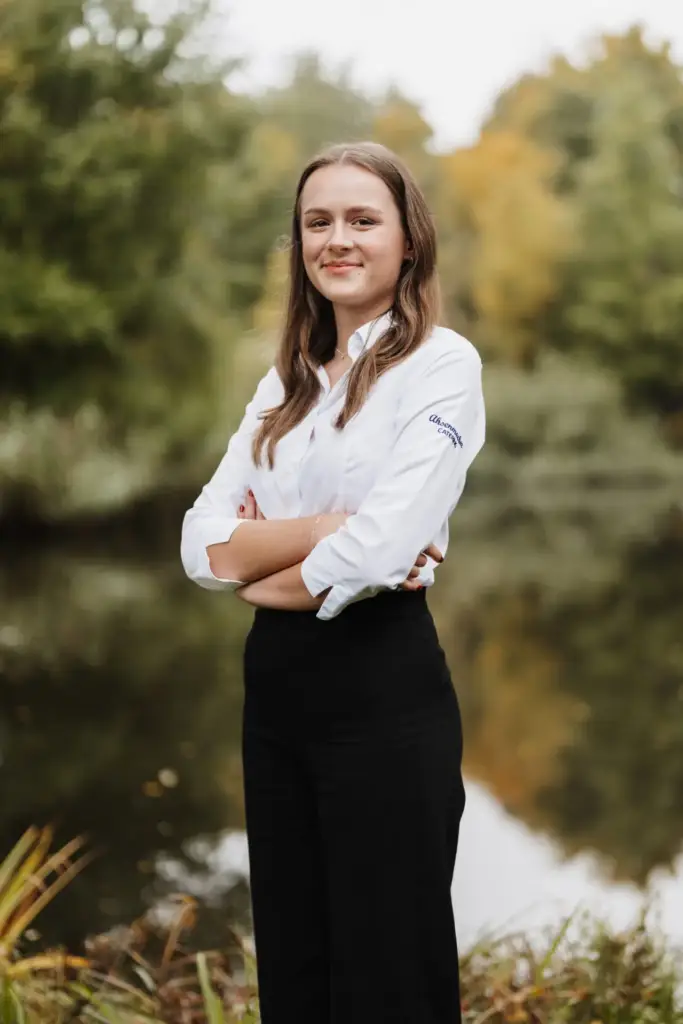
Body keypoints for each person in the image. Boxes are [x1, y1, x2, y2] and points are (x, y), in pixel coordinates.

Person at [180, 141, 485, 1024]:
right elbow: (201, 544)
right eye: (317, 222)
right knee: (296, 967)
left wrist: (259, 572)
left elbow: (379, 553)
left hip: (382, 689)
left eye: (361, 220)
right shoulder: (286, 383)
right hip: (276, 696)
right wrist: (320, 530)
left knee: (390, 977)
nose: (336, 239)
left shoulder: (441, 365)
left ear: (408, 241)